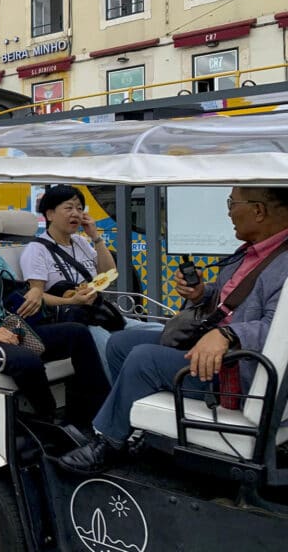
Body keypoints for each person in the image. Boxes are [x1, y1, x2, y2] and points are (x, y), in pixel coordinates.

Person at [56, 187, 288, 474]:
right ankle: (136, 428)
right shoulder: (252, 252)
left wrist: (228, 335)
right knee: (120, 343)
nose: (228, 211)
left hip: (237, 369)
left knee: (144, 359)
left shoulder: (283, 262)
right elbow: (231, 301)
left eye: (232, 203)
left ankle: (109, 442)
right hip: (213, 346)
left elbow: (278, 328)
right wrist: (203, 293)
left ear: (258, 211)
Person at [0, 189, 110, 422]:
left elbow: (19, 290)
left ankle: (95, 415)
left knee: (77, 333)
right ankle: (50, 421)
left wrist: (37, 291)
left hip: (8, 328)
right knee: (26, 360)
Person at [20, 185, 160, 377]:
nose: (75, 214)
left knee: (161, 332)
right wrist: (71, 301)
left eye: (79, 208)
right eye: (68, 208)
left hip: (99, 313)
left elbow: (109, 272)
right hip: (74, 320)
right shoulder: (36, 250)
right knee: (111, 350)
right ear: (50, 214)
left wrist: (95, 237)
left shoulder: (81, 242)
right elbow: (36, 295)